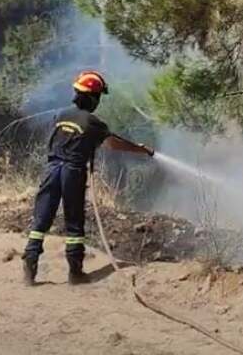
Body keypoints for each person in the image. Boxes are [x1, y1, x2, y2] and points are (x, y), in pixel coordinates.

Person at [22, 70, 154, 285]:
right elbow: (113, 143)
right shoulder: (94, 123)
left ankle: (30, 263)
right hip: (72, 172)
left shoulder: (60, 115)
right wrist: (141, 150)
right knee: (74, 222)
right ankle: (75, 272)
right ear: (93, 98)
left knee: (42, 216)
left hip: (52, 168)